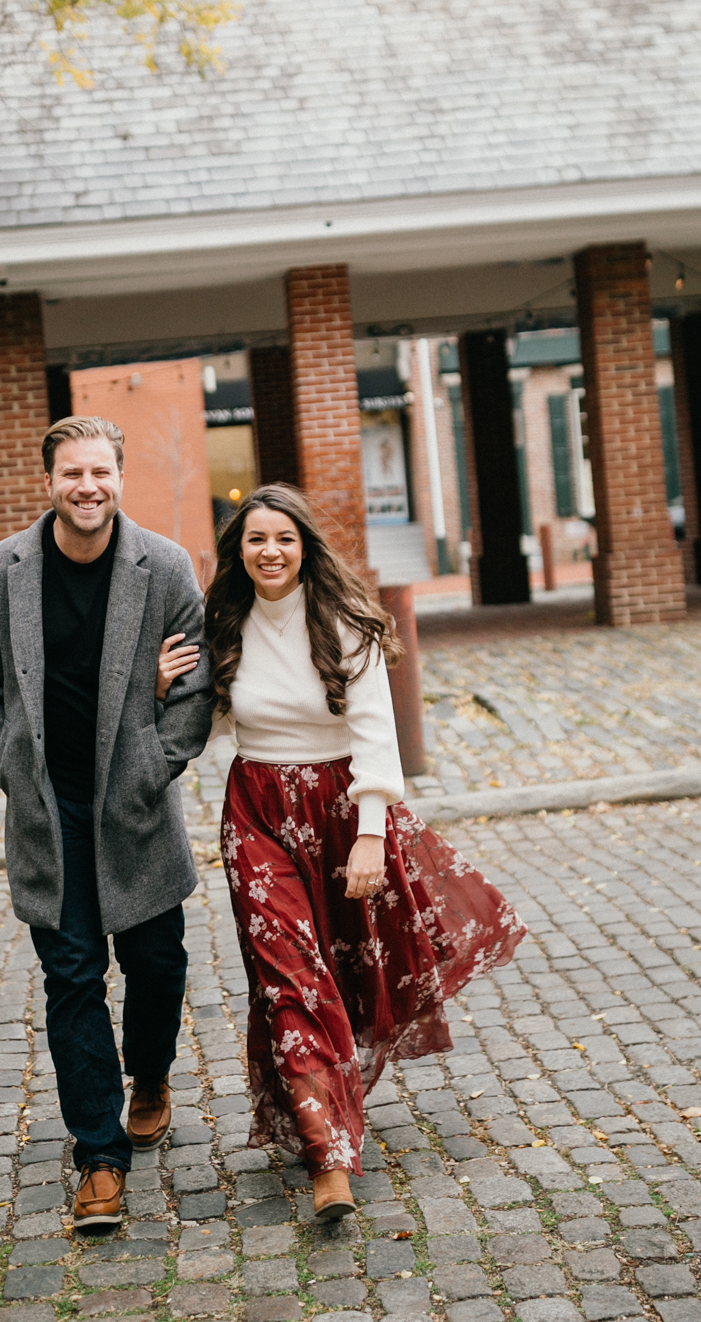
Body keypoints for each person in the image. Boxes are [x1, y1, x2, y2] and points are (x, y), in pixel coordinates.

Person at [192, 483, 526, 1223]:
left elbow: (377, 732)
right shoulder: (225, 620)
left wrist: (371, 833)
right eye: (255, 540)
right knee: (288, 976)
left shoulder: (345, 623)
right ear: (238, 551)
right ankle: (329, 1157)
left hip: (341, 807)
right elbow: (201, 715)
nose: (269, 551)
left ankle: (325, 1104)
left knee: (348, 967)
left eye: (284, 538)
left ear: (304, 545)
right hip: (255, 811)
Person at [0, 415, 212, 1232]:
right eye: (72, 474)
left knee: (156, 964)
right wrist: (9, 763)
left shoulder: (165, 567)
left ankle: (152, 1073)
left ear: (119, 476)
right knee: (71, 980)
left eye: (100, 471)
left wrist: (149, 767)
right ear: (50, 481)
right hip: (47, 814)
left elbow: (199, 689)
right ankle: (99, 1159)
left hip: (134, 809)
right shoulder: (2, 571)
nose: (88, 487)